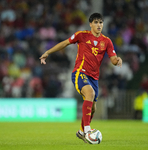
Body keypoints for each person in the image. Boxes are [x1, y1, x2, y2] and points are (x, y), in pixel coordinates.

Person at [39, 13, 122, 143]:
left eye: (101, 22)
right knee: (90, 93)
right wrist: (48, 52)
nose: (99, 25)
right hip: (80, 72)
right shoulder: (81, 35)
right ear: (90, 24)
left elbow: (113, 60)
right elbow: (65, 43)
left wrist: (117, 60)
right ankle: (88, 130)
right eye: (96, 22)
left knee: (93, 107)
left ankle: (82, 131)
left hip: (94, 78)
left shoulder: (107, 41)